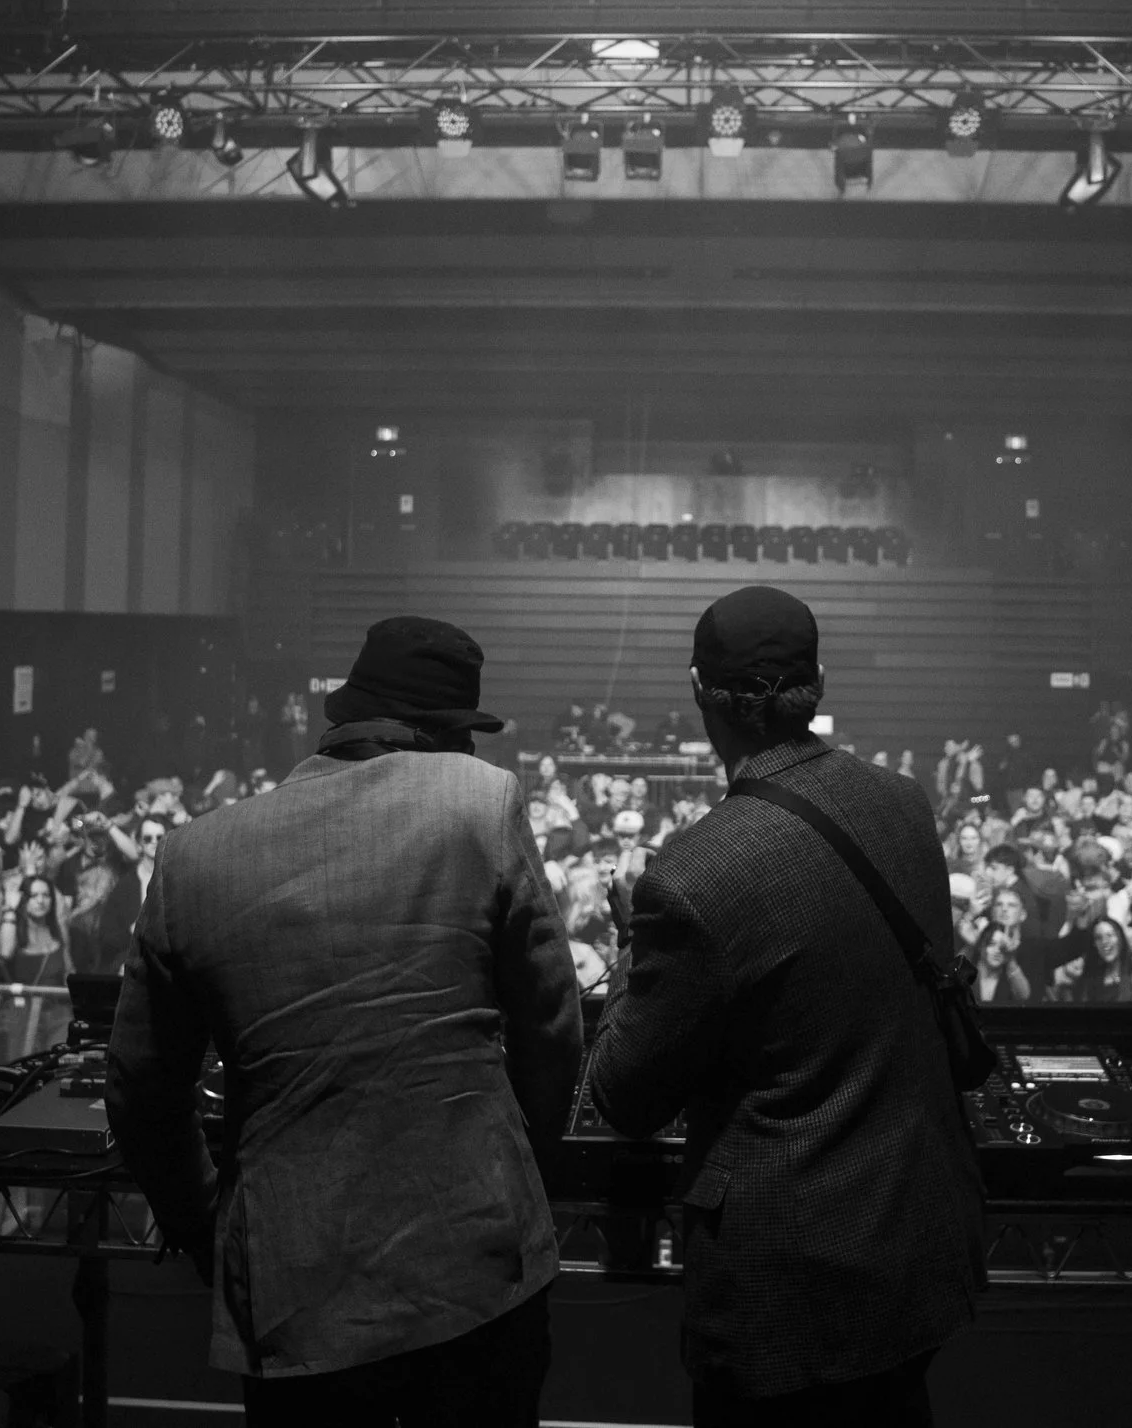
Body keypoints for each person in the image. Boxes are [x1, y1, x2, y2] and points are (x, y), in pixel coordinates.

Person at [107, 616, 580, 1426]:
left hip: (292, 1276)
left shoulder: (194, 856)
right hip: (475, 1264)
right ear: (441, 733)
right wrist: (520, 1176)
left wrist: (210, 1226)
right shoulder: (479, 801)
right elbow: (551, 1028)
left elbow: (142, 1090)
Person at [591, 587, 981, 1426]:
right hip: (916, 1246)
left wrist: (633, 951)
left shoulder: (693, 877)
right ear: (821, 683)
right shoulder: (907, 804)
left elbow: (625, 1098)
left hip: (787, 1285)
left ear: (700, 691)